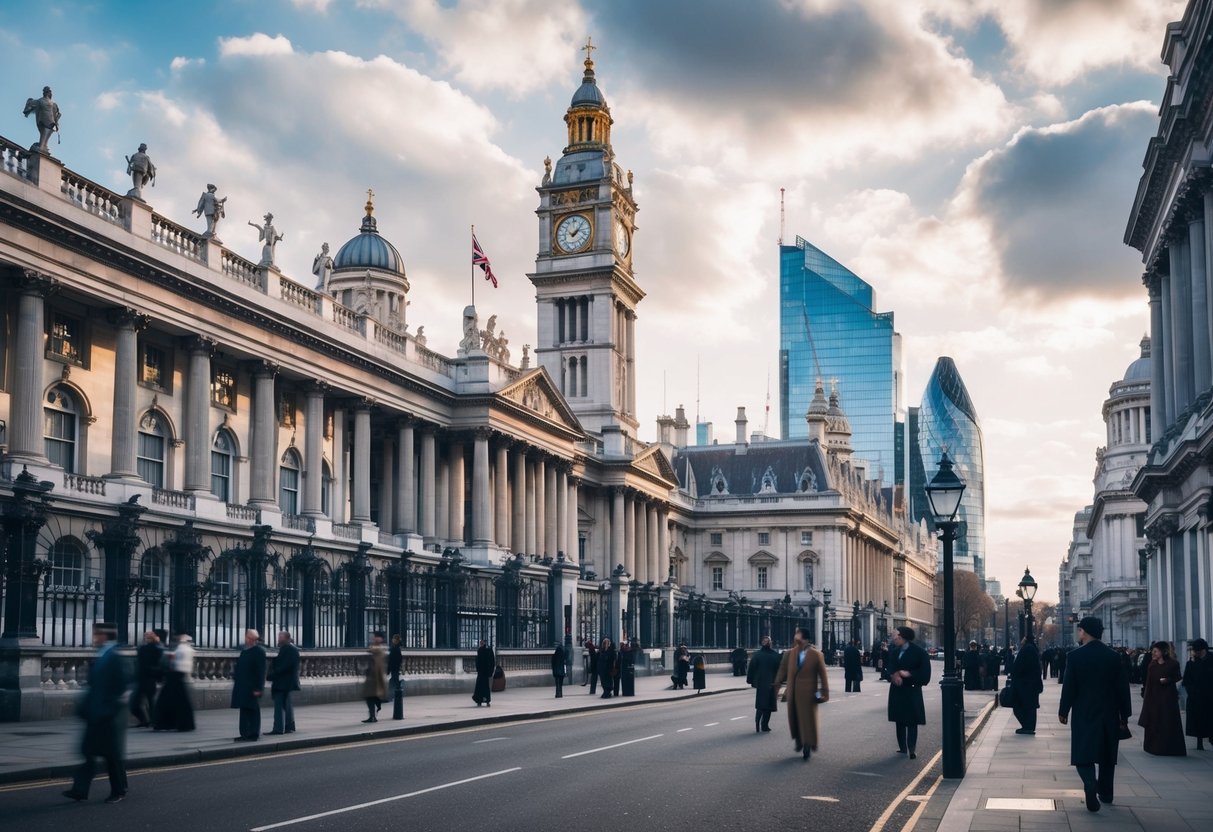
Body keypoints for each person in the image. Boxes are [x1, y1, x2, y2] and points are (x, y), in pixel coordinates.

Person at [1058, 616, 1132, 812]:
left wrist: (1063, 711)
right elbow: (1122, 689)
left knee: (1083, 753)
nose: (1077, 633)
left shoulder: (1075, 656)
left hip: (1084, 711)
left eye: (1079, 630)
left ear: (1084, 632)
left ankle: (1090, 783)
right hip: (1109, 712)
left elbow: (1069, 688)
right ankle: (1106, 793)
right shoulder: (1113, 657)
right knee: (1107, 755)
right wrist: (1125, 715)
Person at [63, 622, 130, 804]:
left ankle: (119, 790)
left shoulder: (114, 657)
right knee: (89, 752)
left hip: (108, 716)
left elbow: (121, 687)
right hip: (95, 713)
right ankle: (80, 790)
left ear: (105, 636)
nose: (94, 637)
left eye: (97, 634)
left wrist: (109, 710)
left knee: (112, 756)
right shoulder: (101, 655)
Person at [772, 627, 829, 759]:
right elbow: (782, 671)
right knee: (795, 718)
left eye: (799, 636)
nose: (796, 638)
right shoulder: (789, 654)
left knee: (808, 720)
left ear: (806, 639)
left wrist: (824, 692)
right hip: (793, 692)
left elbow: (823, 675)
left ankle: (808, 744)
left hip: (809, 693)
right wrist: (777, 685)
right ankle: (799, 740)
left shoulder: (816, 655)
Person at [887, 626, 930, 759]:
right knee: (899, 721)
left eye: (896, 637)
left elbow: (925, 674)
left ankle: (912, 748)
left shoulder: (920, 652)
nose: (894, 639)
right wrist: (894, 675)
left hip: (912, 690)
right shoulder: (894, 652)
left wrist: (909, 674)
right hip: (897, 690)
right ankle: (902, 747)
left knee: (912, 721)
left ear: (902, 637)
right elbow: (889, 668)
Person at [1138, 641, 1186, 756]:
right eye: (1153, 651)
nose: (1153, 653)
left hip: (1168, 698)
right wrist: (1146, 697)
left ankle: (1169, 748)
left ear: (1163, 652)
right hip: (1154, 697)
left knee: (1168, 722)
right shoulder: (1152, 665)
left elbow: (1177, 677)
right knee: (1155, 722)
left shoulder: (1173, 664)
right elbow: (1149, 682)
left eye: (1156, 651)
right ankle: (1155, 747)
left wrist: (1168, 680)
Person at [154, 634, 196, 732]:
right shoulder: (187, 649)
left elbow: (175, 662)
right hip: (179, 676)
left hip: (175, 675)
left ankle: (166, 723)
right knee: (180, 702)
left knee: (168, 701)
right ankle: (180, 723)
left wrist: (171, 661)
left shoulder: (181, 649)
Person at [231, 629, 267, 741]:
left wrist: (259, 688)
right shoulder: (245, 651)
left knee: (253, 710)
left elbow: (261, 672)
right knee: (244, 710)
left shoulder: (259, 652)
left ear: (252, 639)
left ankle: (253, 734)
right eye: (247, 637)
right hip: (243, 686)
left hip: (252, 687)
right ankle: (244, 733)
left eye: (248, 637)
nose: (246, 639)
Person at [747, 635, 782, 733]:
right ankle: (765, 725)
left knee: (760, 705)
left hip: (761, 683)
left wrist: (750, 681)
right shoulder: (775, 655)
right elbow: (780, 670)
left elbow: (751, 669)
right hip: (771, 683)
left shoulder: (757, 655)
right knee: (769, 706)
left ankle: (757, 723)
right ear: (771, 643)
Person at [268, 630, 299, 735]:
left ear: (286, 638)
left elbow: (284, 666)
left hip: (283, 682)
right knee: (287, 706)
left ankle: (278, 728)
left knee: (279, 706)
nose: (278, 639)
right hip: (286, 682)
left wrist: (272, 674)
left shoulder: (289, 649)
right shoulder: (289, 648)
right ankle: (289, 726)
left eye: (280, 637)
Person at [1010, 635, 1044, 734]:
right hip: (1030, 684)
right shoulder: (1032, 649)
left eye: (1023, 638)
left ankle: (1027, 726)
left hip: (1025, 685)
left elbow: (1019, 667)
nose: (1021, 640)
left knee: (1020, 706)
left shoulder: (1027, 649)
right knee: (1030, 707)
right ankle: (1029, 726)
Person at [1183, 638, 1212, 750]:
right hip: (1197, 697)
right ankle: (1199, 741)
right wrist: (1192, 691)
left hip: (1209, 696)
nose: (1195, 653)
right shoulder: (1191, 663)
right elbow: (1186, 680)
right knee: (1198, 720)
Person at [130, 630, 163, 728]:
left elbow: (159, 663)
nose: (146, 638)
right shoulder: (143, 648)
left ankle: (151, 721)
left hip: (148, 678)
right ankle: (147, 720)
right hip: (143, 678)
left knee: (149, 702)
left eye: (148, 636)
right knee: (137, 703)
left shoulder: (155, 648)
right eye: (145, 636)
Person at [23, 86, 60, 152]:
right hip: (43, 120)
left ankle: (43, 146)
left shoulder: (52, 103)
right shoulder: (40, 101)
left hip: (51, 121)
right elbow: (30, 103)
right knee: (44, 133)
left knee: (47, 134)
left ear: (49, 93)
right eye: (45, 91)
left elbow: (56, 113)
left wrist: (56, 122)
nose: (46, 93)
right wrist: (28, 109)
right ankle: (42, 146)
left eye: (47, 91)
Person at [361, 632, 387, 723]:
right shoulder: (377, 648)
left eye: (376, 637)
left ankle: (373, 716)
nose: (374, 638)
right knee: (371, 697)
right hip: (373, 677)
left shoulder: (379, 648)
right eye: (374, 637)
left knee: (370, 697)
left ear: (381, 639)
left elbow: (374, 650)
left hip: (375, 678)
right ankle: (373, 715)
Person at [473, 638, 495, 706]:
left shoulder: (485, 650)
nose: (481, 643)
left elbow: (491, 662)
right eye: (480, 642)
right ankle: (481, 700)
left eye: (482, 642)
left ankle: (483, 700)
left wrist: (490, 671)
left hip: (483, 672)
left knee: (483, 687)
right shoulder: (482, 650)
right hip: (483, 672)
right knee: (483, 687)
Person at [388, 633, 404, 719]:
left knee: (393, 682)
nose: (392, 640)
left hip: (395, 668)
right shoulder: (395, 648)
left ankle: (391, 696)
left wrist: (390, 668)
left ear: (397, 640)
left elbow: (396, 659)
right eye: (393, 638)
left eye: (394, 639)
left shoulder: (396, 648)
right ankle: (392, 696)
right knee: (394, 681)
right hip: (394, 668)